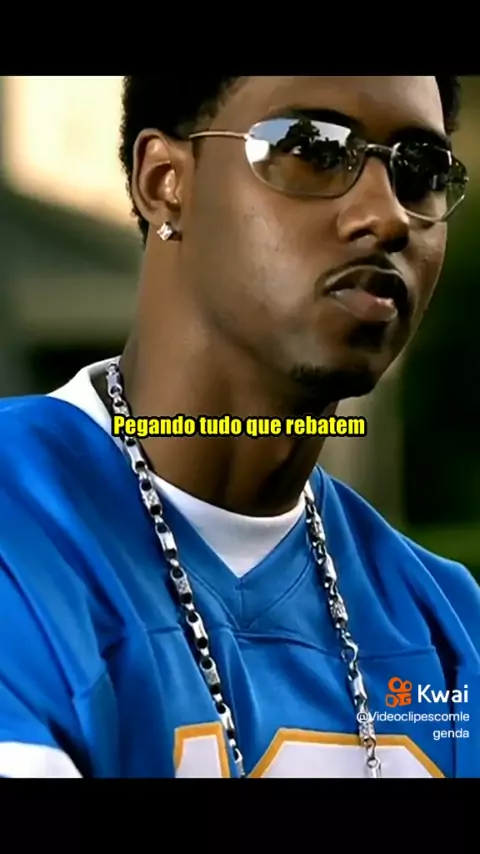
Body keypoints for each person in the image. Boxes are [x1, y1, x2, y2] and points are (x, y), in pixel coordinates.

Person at [0, 75, 478, 779]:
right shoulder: (21, 524)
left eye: (421, 171)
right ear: (164, 182)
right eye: (312, 148)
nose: (387, 217)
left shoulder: (449, 630)